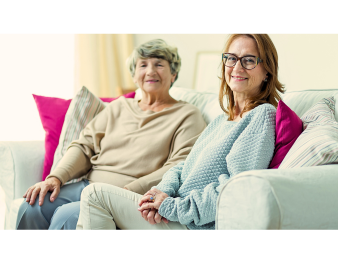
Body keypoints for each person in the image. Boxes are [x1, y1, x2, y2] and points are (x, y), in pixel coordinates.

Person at [75, 34, 285, 230]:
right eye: (231, 58)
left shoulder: (261, 116)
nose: (237, 67)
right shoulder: (222, 120)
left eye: (248, 60)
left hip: (192, 225)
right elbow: (183, 166)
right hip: (172, 210)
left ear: (267, 70)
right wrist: (160, 192)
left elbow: (234, 188)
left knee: (95, 195)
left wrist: (171, 207)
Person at [16, 39, 206, 230]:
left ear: (173, 74)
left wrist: (128, 191)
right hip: (87, 185)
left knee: (68, 216)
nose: (150, 71)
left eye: (159, 64)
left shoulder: (187, 115)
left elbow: (180, 165)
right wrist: (55, 177)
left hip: (127, 196)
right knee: (31, 206)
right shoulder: (118, 107)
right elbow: (85, 146)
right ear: (134, 75)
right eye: (143, 65)